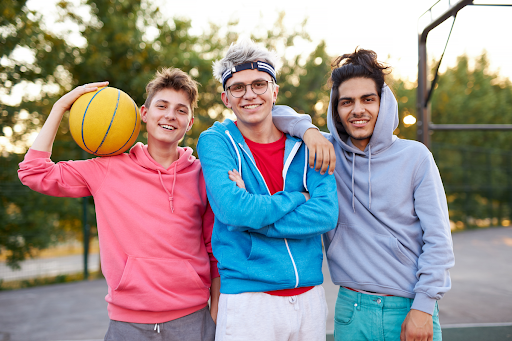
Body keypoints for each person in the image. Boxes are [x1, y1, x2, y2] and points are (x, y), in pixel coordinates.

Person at [18, 68, 220, 341]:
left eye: (181, 110)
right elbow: (33, 173)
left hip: (193, 321)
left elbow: (215, 251)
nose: (171, 115)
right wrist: (60, 106)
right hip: (128, 323)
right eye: (162, 106)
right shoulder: (108, 169)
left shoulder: (202, 175)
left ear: (190, 122)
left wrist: (215, 314)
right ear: (144, 114)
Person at [272, 48, 455, 341]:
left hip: (409, 307)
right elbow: (273, 113)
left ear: (383, 104)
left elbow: (439, 241)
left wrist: (424, 307)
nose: (358, 110)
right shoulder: (325, 153)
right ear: (336, 110)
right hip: (351, 310)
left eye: (368, 99)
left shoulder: (415, 157)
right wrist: (309, 132)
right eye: (347, 102)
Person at [196, 39, 339, 341]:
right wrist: (298, 198)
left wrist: (253, 214)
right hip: (248, 300)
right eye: (238, 87)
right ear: (225, 97)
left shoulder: (310, 144)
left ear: (274, 92)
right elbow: (233, 211)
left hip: (310, 300)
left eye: (259, 84)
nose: (250, 95)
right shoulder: (216, 141)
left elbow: (326, 215)